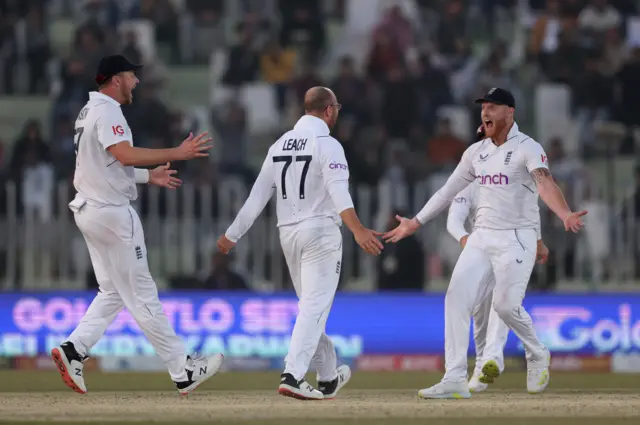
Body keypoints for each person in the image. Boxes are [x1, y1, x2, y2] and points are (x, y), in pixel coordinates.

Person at [384, 88, 587, 398]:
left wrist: (564, 213)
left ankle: (537, 352)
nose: (485, 112)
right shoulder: (476, 152)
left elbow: (545, 183)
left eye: (493, 107)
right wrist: (417, 221)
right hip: (481, 237)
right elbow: (446, 192)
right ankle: (454, 376)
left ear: (510, 112)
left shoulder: (527, 147)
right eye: (483, 108)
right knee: (455, 299)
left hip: (517, 238)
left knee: (505, 307)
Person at [50, 55, 223, 396]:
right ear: (116, 79)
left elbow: (105, 164)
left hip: (89, 209)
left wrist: (146, 176)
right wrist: (178, 151)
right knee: (142, 292)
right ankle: (182, 368)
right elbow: (124, 154)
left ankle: (74, 350)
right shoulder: (109, 111)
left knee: (113, 291)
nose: (136, 81)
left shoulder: (88, 111)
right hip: (113, 214)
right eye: (131, 75)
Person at [216, 86, 383, 400]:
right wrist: (359, 230)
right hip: (320, 232)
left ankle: (328, 376)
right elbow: (340, 194)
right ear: (329, 110)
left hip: (288, 234)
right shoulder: (328, 144)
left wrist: (232, 234)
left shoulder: (278, 145)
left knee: (311, 308)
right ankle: (292, 374)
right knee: (314, 308)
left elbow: (257, 197)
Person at [446, 126, 550, 393]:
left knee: (503, 305)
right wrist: (466, 240)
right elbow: (454, 219)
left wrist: (537, 240)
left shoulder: (513, 174)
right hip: (480, 249)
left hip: (511, 247)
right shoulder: (468, 184)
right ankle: (483, 362)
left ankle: (492, 358)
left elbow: (529, 209)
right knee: (480, 311)